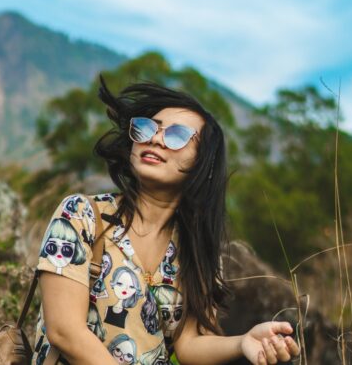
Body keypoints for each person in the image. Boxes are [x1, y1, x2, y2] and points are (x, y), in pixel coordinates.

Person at [31, 79, 300, 364]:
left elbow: (190, 345)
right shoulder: (82, 216)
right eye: (147, 128)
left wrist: (242, 342)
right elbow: (64, 331)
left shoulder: (196, 252)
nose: (155, 139)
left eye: (177, 135)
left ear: (203, 162)